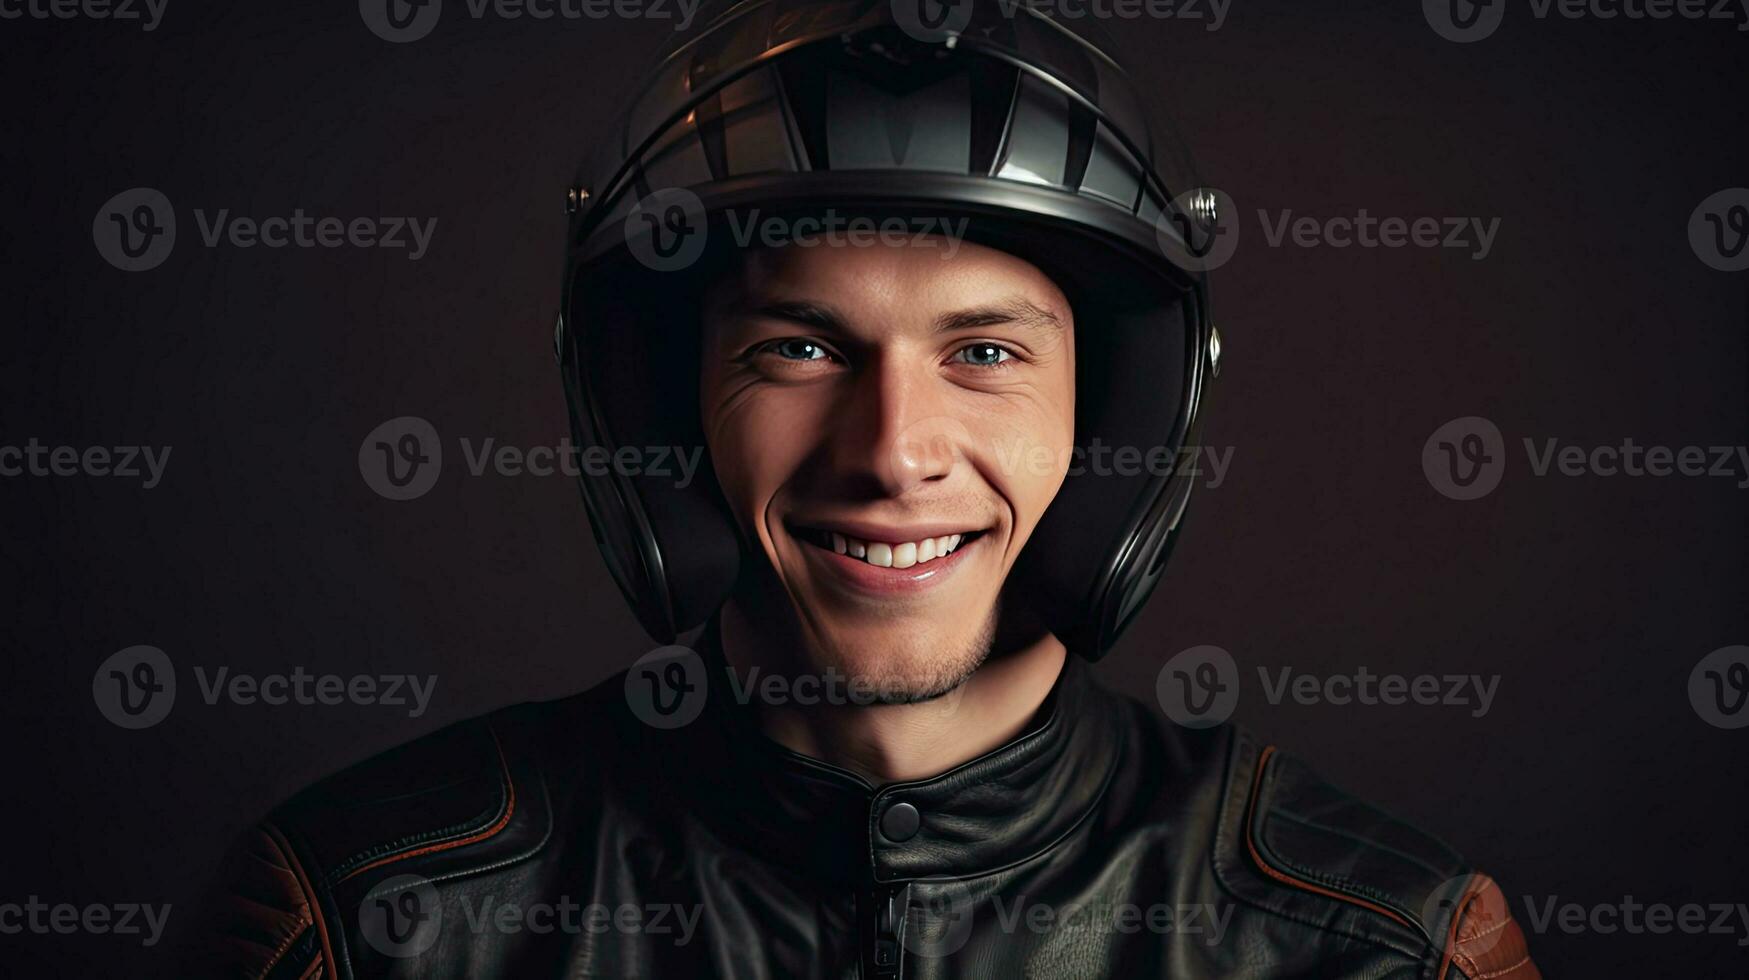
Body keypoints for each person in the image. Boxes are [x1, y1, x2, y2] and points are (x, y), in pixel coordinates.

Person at [205, 2, 1538, 976]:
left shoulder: (1371, 945)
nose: (894, 452)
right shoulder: (379, 915)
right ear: (664, 408)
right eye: (799, 348)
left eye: (985, 352)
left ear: (1115, 415)